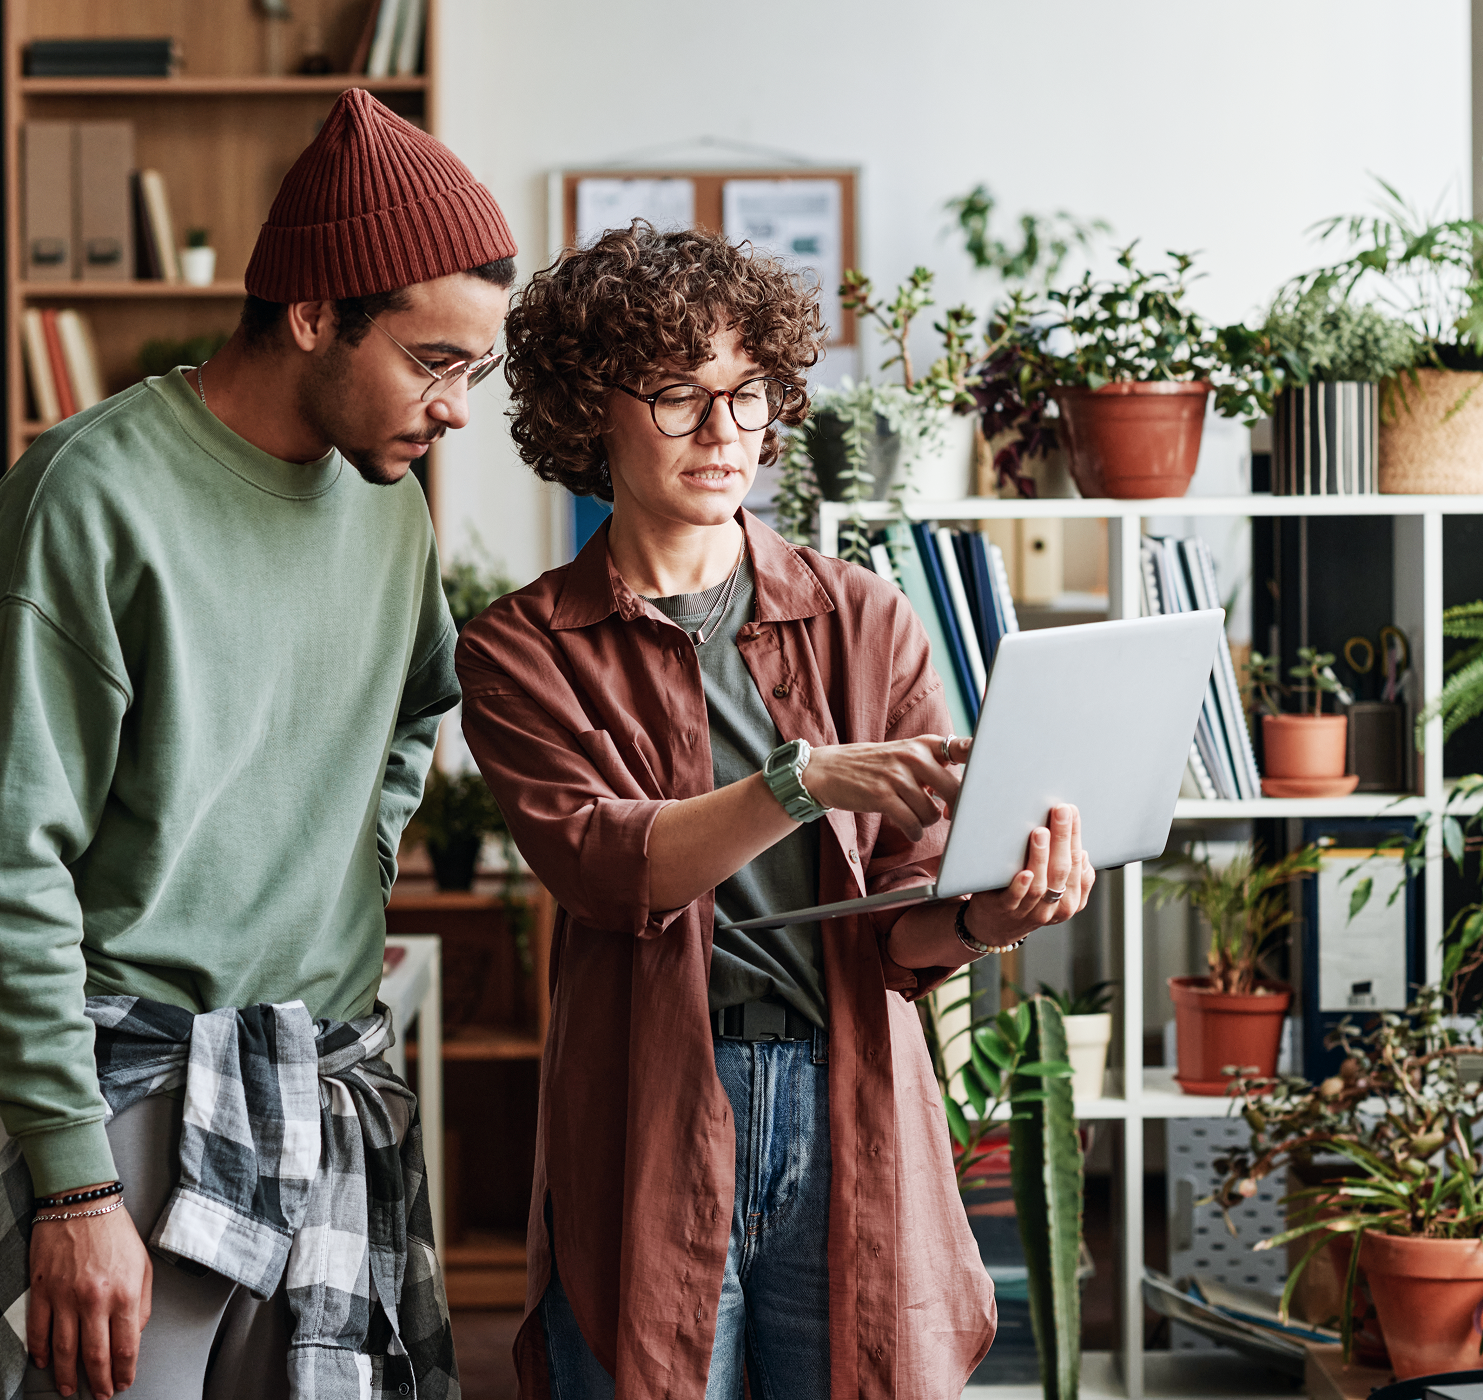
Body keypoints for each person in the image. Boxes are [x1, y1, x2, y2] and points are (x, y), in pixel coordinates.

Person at [0, 90, 515, 1400]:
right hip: (122, 1105)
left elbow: (420, 702)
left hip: (325, 1076)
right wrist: (72, 1185)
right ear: (313, 312)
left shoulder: (393, 506)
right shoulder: (87, 499)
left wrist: (346, 858)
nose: (457, 408)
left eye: (475, 369)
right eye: (432, 360)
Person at [457, 221, 1096, 1400]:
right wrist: (802, 780)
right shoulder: (521, 646)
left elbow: (902, 923)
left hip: (845, 1092)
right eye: (677, 396)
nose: (723, 433)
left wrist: (994, 915)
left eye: (747, 394)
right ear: (587, 407)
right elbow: (611, 869)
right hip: (654, 1102)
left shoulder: (861, 613)